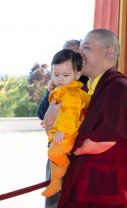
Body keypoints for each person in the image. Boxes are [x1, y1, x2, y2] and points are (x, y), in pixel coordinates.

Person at [57, 29, 127, 208]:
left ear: (108, 52)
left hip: (110, 191)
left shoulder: (119, 89)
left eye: (86, 48)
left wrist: (68, 145)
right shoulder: (90, 89)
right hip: (90, 186)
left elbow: (99, 140)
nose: (80, 53)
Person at [41, 49, 90, 197]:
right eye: (56, 75)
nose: (60, 79)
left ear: (77, 75)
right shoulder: (61, 90)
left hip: (69, 133)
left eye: (65, 75)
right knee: (53, 160)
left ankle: (64, 165)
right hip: (60, 133)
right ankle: (55, 183)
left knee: (53, 153)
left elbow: (70, 113)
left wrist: (62, 130)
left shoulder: (72, 93)